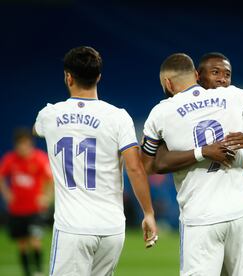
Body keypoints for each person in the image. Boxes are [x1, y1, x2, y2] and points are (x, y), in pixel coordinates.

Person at [33, 46, 157, 276]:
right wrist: (148, 213)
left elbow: (36, 129)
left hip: (73, 228)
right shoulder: (118, 117)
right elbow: (134, 166)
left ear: (68, 77)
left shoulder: (49, 115)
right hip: (111, 229)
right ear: (98, 76)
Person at [141, 53, 243, 275]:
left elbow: (148, 166)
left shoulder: (161, 112)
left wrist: (199, 152)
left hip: (201, 217)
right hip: (241, 213)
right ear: (196, 75)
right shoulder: (232, 96)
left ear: (168, 83)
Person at [149, 52, 243, 175]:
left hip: (238, 194)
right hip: (194, 194)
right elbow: (160, 164)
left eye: (227, 75)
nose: (222, 79)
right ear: (197, 76)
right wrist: (202, 152)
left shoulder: (242, 109)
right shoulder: (175, 114)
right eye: (215, 72)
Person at [0, 128, 53, 276]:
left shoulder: (40, 158)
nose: (22, 147)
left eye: (25, 143)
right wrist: (7, 193)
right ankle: (27, 273)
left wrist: (46, 197)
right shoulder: (10, 159)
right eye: (20, 144)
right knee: (22, 244)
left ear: (30, 143)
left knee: (35, 241)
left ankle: (39, 271)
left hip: (35, 210)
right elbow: (1, 177)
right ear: (16, 145)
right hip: (16, 209)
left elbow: (51, 180)